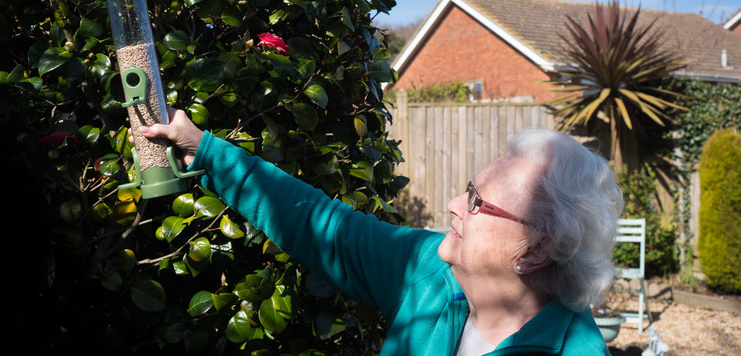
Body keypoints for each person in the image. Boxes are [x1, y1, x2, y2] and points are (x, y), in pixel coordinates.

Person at [137, 109, 623, 355]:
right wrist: (206, 150)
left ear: (538, 248)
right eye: (466, 190)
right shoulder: (430, 273)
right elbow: (324, 227)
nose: (454, 205)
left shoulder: (572, 350)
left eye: (478, 203)